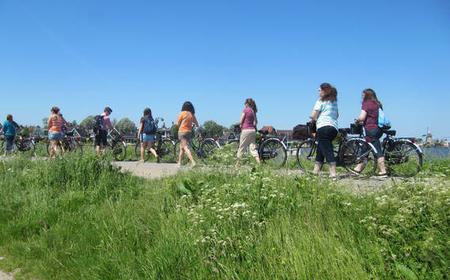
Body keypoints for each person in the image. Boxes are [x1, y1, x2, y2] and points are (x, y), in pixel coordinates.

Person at [354, 88, 388, 177]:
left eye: (363, 95)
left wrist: (357, 120)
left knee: (377, 150)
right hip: (379, 129)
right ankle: (358, 169)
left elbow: (362, 117)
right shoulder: (378, 104)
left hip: (370, 129)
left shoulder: (366, 104)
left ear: (366, 95)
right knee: (365, 147)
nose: (362, 97)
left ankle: (383, 171)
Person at [310, 83, 339, 179]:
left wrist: (312, 119)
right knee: (321, 147)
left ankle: (333, 173)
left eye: (320, 90)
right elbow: (337, 115)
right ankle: (316, 170)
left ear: (324, 91)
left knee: (327, 149)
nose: (318, 91)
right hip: (333, 129)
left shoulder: (320, 101)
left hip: (323, 127)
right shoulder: (334, 101)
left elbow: (313, 115)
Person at [237, 98, 260, 164]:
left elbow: (241, 121)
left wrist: (240, 125)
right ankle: (259, 163)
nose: (244, 105)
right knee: (253, 148)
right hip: (252, 130)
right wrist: (253, 125)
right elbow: (256, 122)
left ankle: (237, 165)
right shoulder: (253, 111)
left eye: (245, 104)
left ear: (247, 104)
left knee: (242, 147)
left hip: (246, 130)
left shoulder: (245, 110)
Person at [176, 101, 199, 167]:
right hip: (189, 132)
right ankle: (179, 163)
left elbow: (177, 123)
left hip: (182, 132)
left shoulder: (182, 113)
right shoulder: (192, 114)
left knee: (185, 147)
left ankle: (193, 162)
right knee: (182, 148)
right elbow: (197, 124)